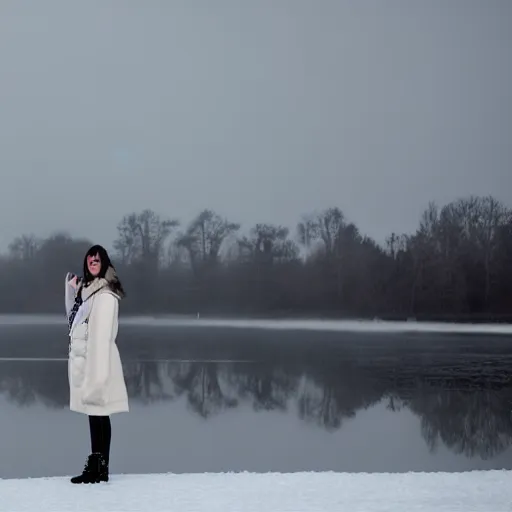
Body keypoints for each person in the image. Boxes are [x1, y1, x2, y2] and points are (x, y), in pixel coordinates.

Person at [65, 244, 129, 484]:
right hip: (90, 362)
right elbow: (76, 323)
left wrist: (98, 376)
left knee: (99, 413)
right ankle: (98, 466)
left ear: (104, 264)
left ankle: (99, 467)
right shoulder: (90, 293)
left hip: (98, 362)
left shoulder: (104, 296)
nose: (93, 262)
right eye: (90, 259)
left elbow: (101, 338)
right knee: (96, 414)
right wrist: (73, 291)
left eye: (97, 260)